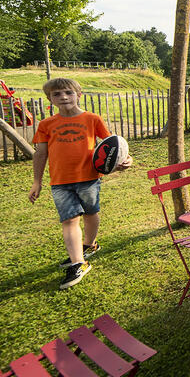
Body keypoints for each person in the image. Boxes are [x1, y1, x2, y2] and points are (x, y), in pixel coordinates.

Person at [28, 78, 132, 289]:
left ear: (78, 95)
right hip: (60, 182)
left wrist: (126, 160)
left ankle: (89, 245)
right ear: (50, 99)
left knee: (90, 213)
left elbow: (114, 146)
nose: (63, 97)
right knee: (69, 220)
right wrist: (36, 182)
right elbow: (40, 154)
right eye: (57, 94)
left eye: (68, 92)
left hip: (90, 178)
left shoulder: (92, 119)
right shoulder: (46, 125)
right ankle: (78, 262)